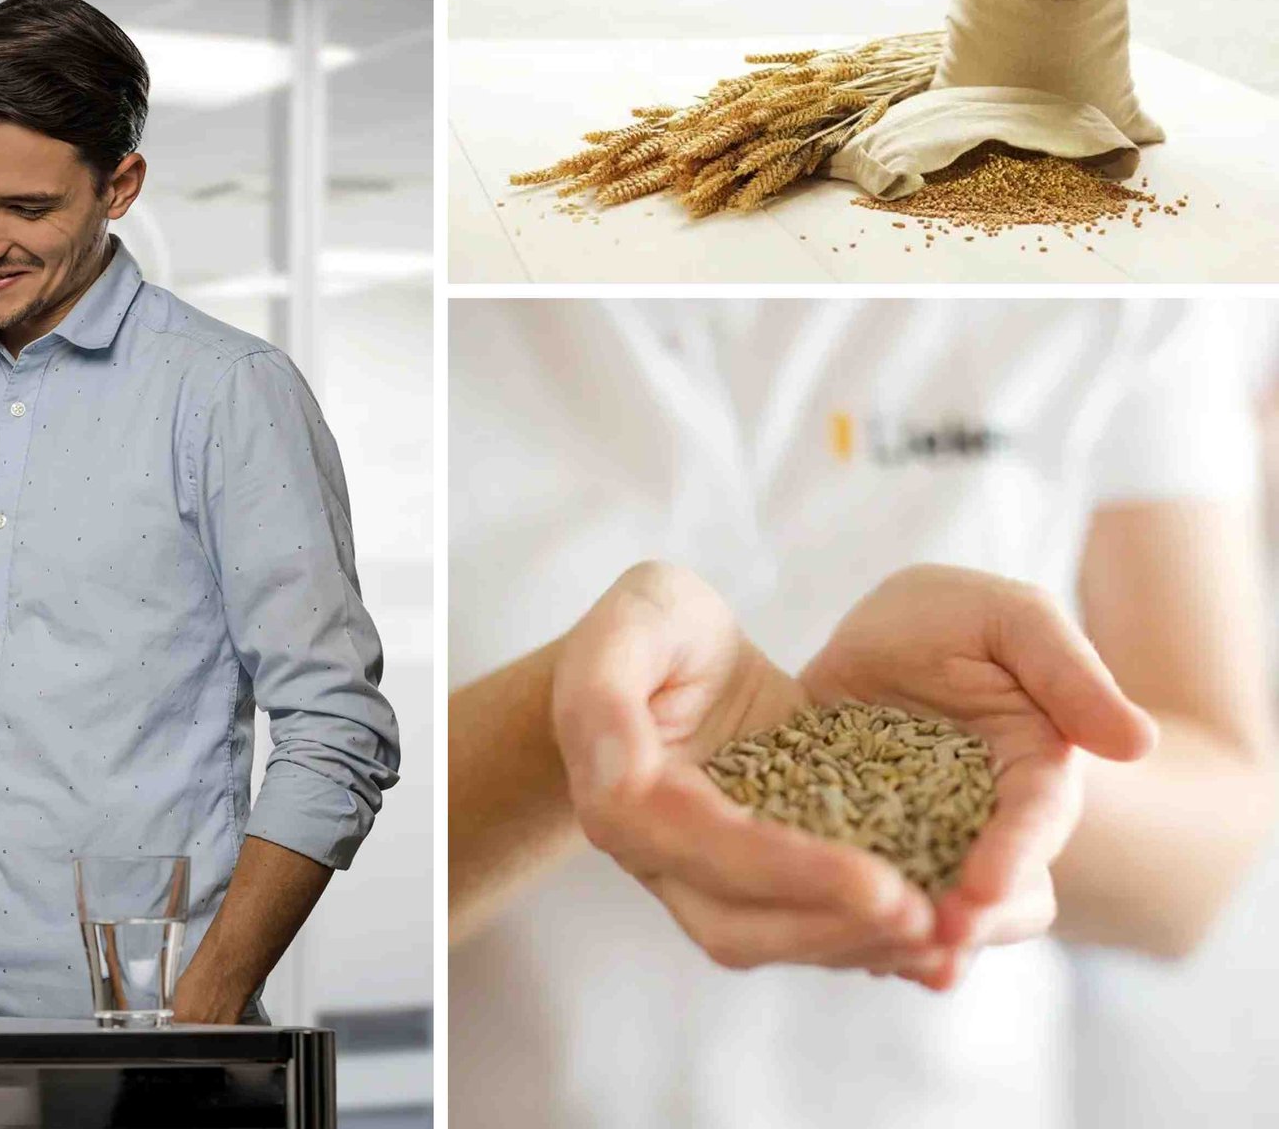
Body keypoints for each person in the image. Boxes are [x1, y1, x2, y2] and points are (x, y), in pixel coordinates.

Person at [447, 299, 1277, 1129]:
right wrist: (574, 723)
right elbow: (366, 879)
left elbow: (1204, 864)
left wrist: (997, 770)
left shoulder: (1120, 282)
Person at [0, 0, 401, 1023]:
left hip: (149, 1040)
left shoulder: (227, 395)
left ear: (120, 187)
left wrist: (206, 1006)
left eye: (26, 209)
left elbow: (335, 728)